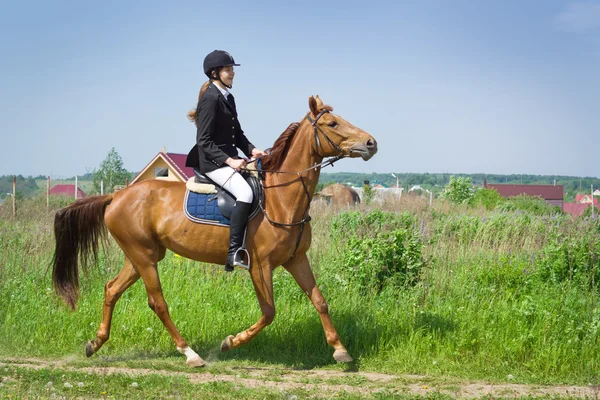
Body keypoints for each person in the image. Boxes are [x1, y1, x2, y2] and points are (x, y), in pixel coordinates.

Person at [185, 50, 266, 271]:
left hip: (228, 158)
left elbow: (236, 133)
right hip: (212, 163)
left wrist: (252, 149)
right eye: (228, 70)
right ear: (215, 73)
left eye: (232, 70)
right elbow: (203, 141)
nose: (232, 74)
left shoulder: (227, 97)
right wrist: (229, 161)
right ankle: (234, 253)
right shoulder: (210, 98)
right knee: (245, 193)